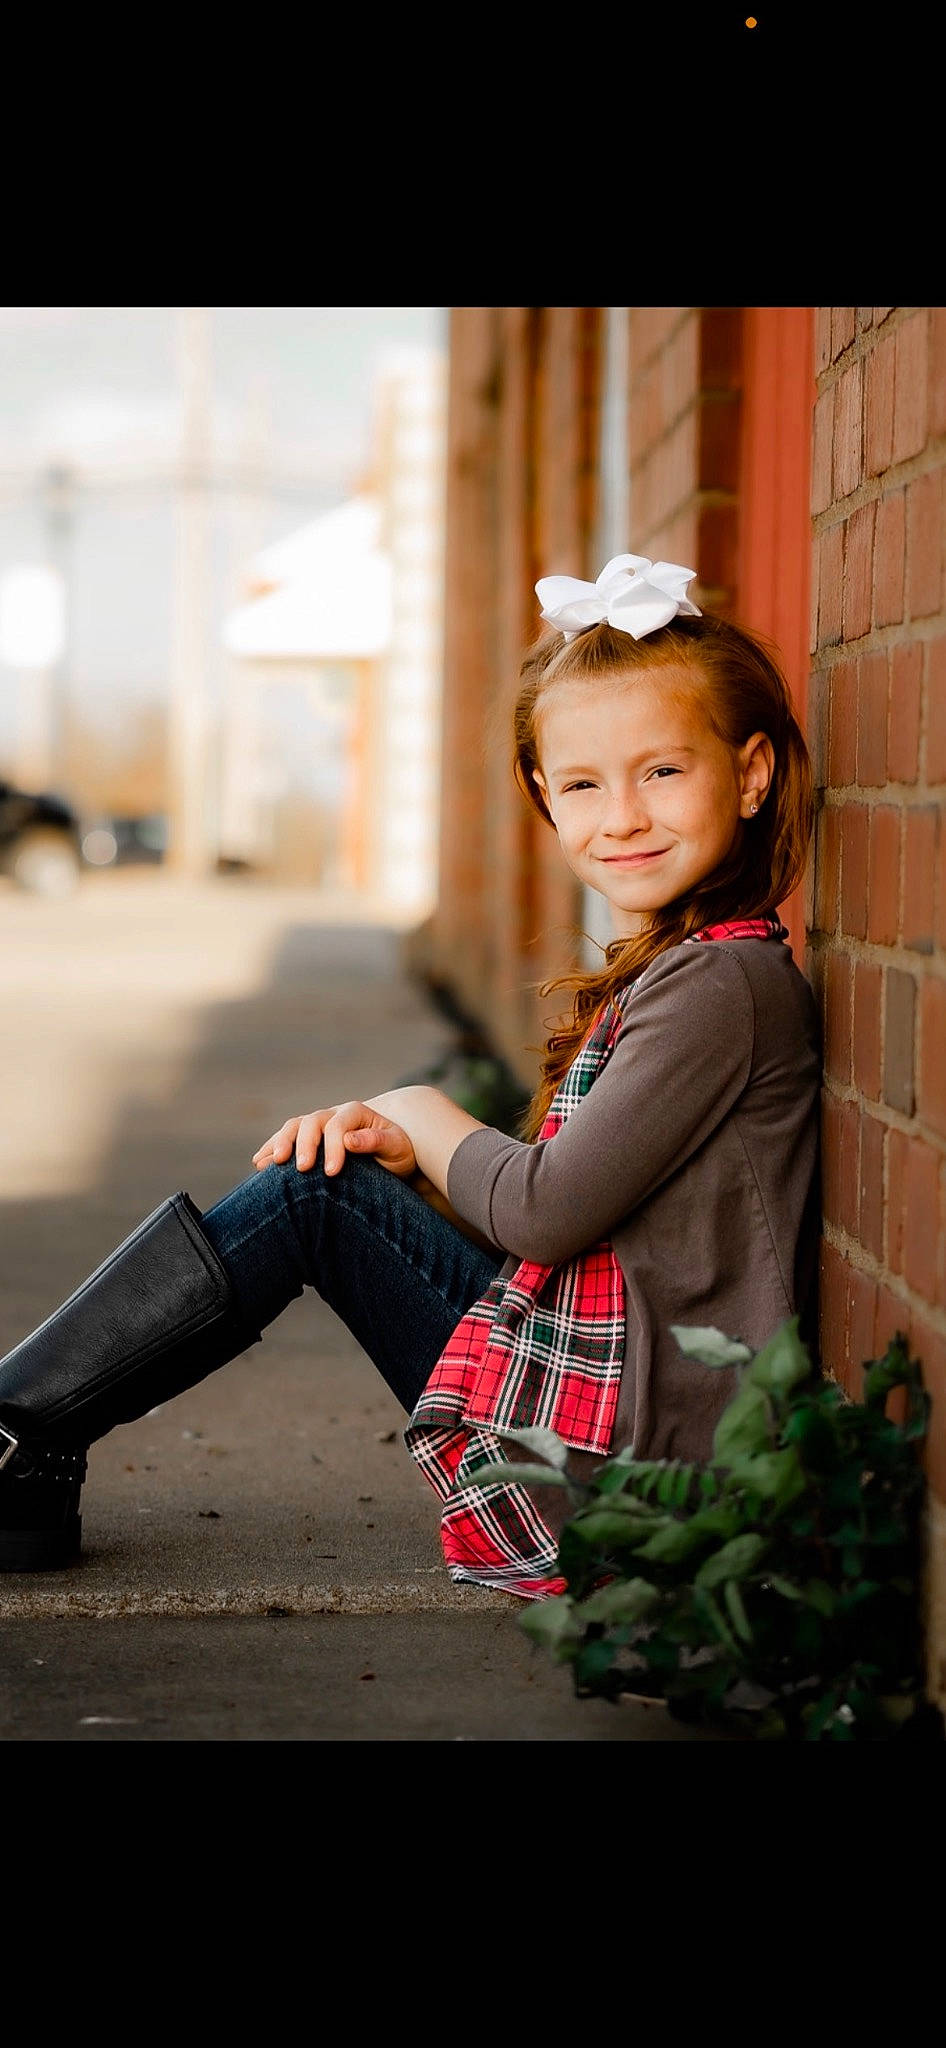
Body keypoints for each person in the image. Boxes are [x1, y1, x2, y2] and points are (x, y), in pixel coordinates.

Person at [0, 554, 822, 1600]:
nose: (620, 814)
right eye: (582, 782)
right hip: (616, 1397)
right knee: (334, 1181)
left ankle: (14, 1426)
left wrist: (419, 1112)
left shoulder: (719, 987)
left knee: (314, 1191)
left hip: (644, 1463)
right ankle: (25, 1436)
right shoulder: (693, 971)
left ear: (749, 773)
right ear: (542, 794)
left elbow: (544, 1212)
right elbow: (579, 1222)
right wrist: (421, 1164)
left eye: (661, 771)